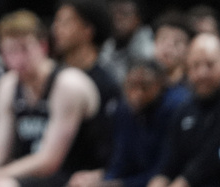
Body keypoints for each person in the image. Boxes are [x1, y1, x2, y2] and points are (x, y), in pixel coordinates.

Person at [0, 9, 103, 187]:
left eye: (24, 49)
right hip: (29, 174)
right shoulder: (8, 85)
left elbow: (49, 162)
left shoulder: (68, 85)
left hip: (75, 175)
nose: (17, 59)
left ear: (43, 46)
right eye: (9, 51)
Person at [66, 59, 190, 187]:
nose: (137, 94)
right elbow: (120, 162)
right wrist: (103, 179)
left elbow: (164, 171)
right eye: (131, 85)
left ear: (160, 85)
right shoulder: (124, 110)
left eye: (145, 87)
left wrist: (117, 184)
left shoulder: (174, 108)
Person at [51, 0, 122, 165]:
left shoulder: (107, 85)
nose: (56, 28)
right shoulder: (52, 77)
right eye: (56, 21)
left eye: (65, 22)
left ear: (88, 30)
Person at [146, 33, 220, 187]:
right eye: (195, 65)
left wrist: (182, 182)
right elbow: (169, 160)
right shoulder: (184, 109)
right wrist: (159, 179)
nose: (202, 73)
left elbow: (211, 157)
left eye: (210, 65)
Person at [99, 0, 156, 84]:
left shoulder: (149, 50)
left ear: (138, 19)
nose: (118, 18)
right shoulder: (107, 44)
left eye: (124, 14)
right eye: (113, 13)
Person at [151, 12, 193, 90]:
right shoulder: (142, 86)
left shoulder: (193, 89)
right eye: (163, 39)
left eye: (177, 41)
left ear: (188, 49)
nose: (168, 46)